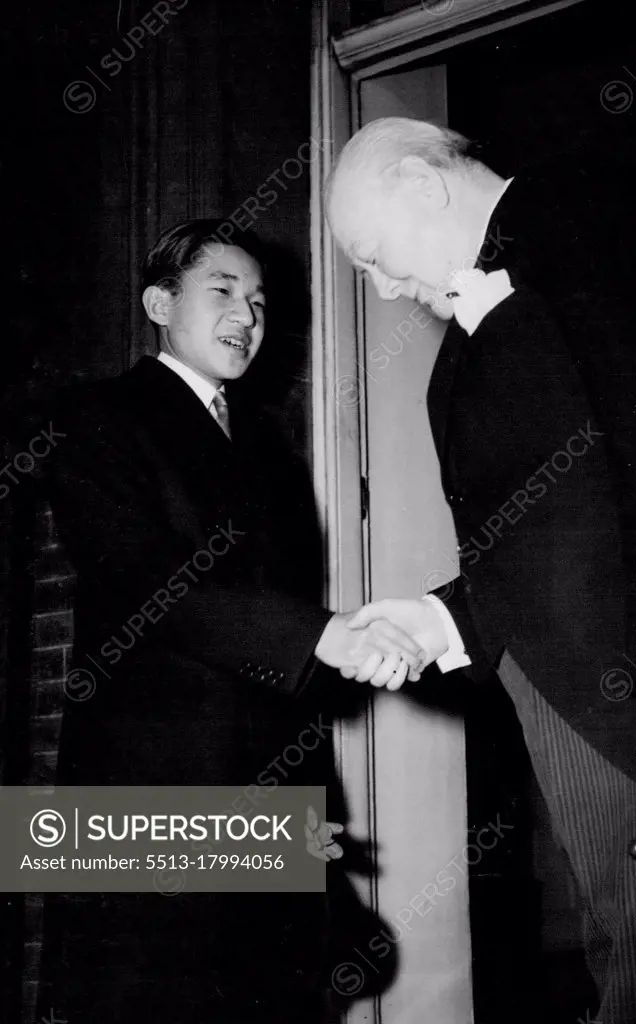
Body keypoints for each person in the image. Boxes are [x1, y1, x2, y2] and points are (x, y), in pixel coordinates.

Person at [326, 117, 636, 1023]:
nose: (375, 285)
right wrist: (439, 620)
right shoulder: (454, 363)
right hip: (571, 714)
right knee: (634, 968)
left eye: (369, 256)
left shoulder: (578, 203)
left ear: (420, 182)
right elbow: (545, 535)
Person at [38, 219, 423, 1024]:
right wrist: (321, 633)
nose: (247, 315)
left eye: (258, 300)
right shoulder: (95, 417)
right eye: (222, 291)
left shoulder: (269, 452)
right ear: (157, 303)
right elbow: (145, 585)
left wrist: (312, 812)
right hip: (139, 786)